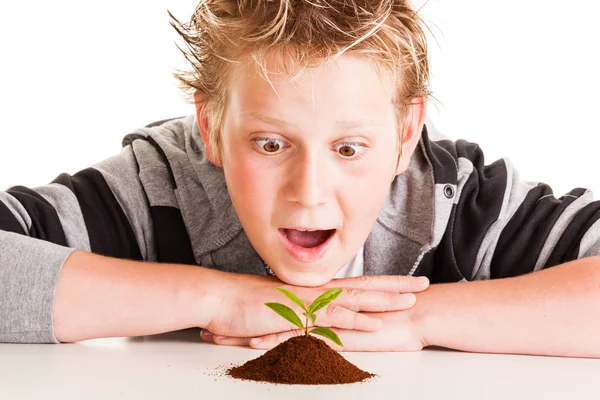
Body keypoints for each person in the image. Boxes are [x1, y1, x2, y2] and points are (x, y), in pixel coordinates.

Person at [1, 0, 599, 357]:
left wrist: (416, 318)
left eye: (348, 147)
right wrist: (222, 299)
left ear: (406, 133)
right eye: (269, 143)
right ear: (210, 128)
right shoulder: (161, 189)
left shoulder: (453, 200)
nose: (309, 191)